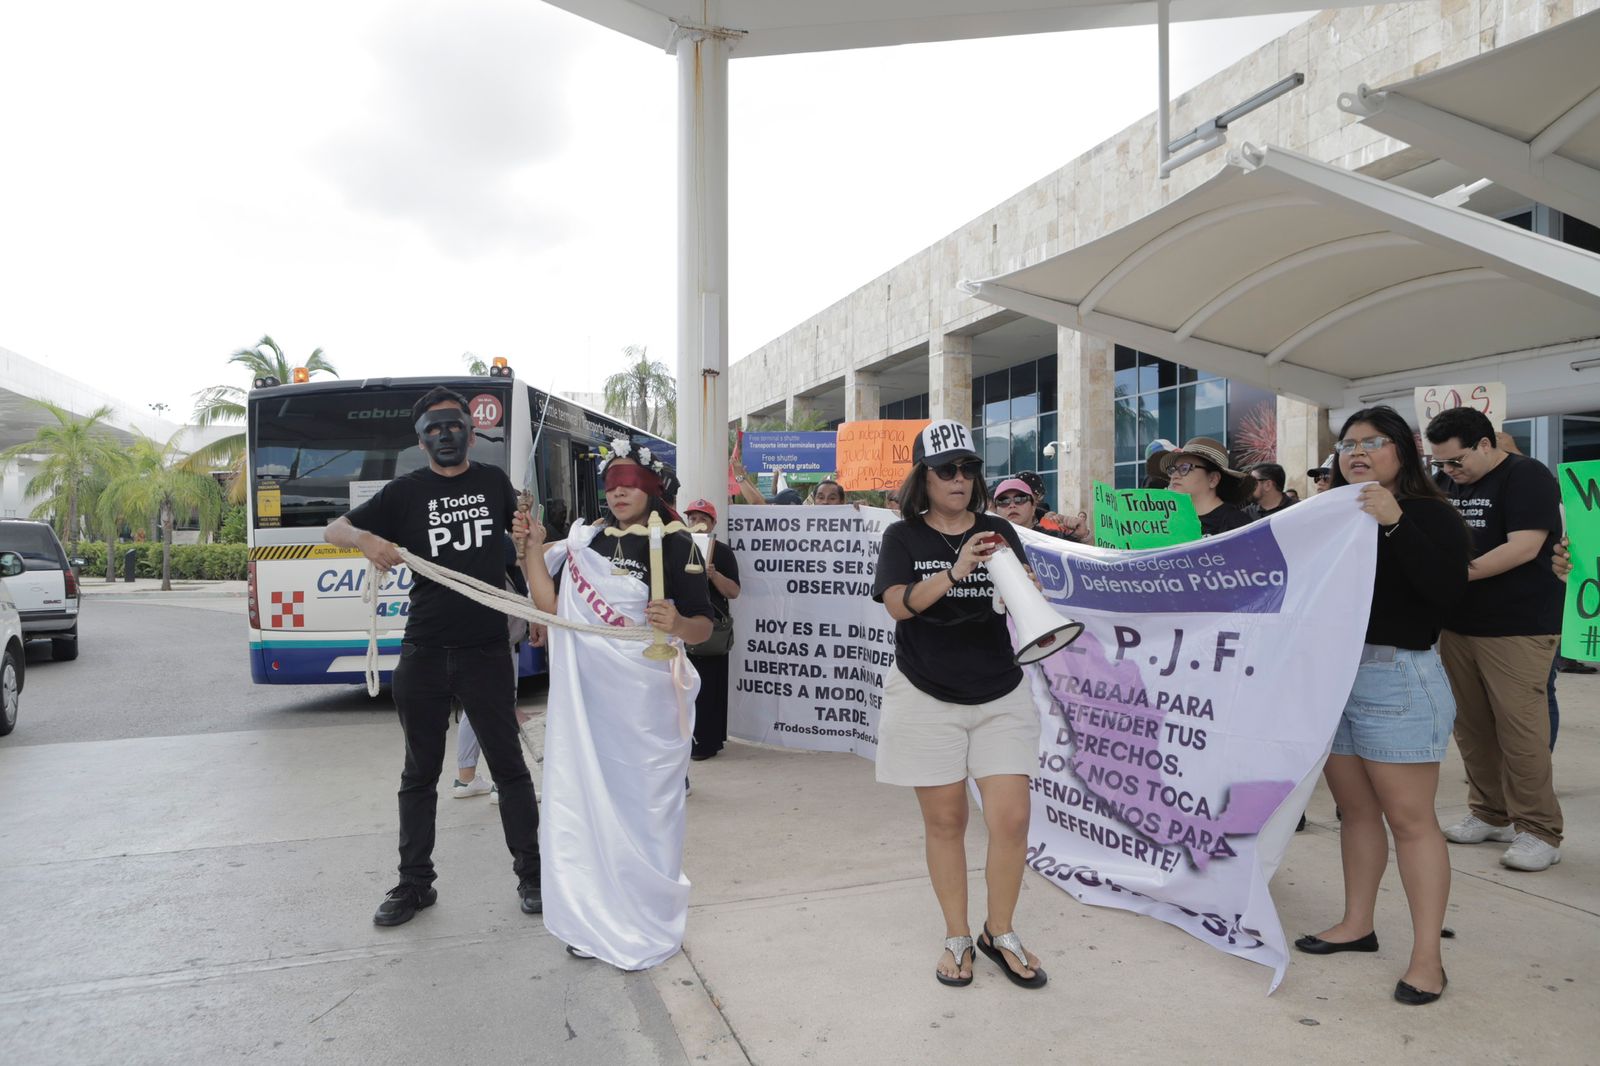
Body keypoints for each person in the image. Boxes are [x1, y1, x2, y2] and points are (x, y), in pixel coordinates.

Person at [325, 386, 542, 927]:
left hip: (486, 649)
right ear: (420, 439)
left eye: (455, 425)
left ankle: (533, 876)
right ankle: (414, 885)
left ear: (472, 431)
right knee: (418, 774)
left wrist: (533, 585)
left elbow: (516, 553)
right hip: (423, 650)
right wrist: (365, 541)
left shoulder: (493, 483)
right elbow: (333, 528)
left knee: (510, 768)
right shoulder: (405, 492)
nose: (446, 435)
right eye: (434, 428)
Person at [1292, 405, 1469, 1007]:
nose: (1357, 452)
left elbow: (1445, 592)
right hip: (1333, 677)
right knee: (1355, 811)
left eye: (1373, 441)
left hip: (1397, 676)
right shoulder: (1325, 516)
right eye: (1347, 444)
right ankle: (1357, 924)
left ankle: (1427, 959)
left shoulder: (1430, 514)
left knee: (1411, 820)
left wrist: (1395, 523)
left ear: (1403, 450)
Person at [517, 443, 714, 968]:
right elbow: (551, 608)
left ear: (650, 487)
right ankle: (595, 916)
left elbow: (703, 625)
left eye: (629, 481)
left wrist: (676, 623)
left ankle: (647, 917)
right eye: (611, 483)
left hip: (645, 700)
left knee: (646, 806)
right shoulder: (588, 541)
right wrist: (533, 549)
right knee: (590, 800)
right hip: (591, 700)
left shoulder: (679, 544)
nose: (619, 490)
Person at [871, 419, 1047, 991]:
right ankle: (957, 935)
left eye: (968, 468)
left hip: (1000, 689)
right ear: (923, 478)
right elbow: (900, 606)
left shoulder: (999, 529)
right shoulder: (904, 537)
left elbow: (1022, 601)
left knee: (1012, 818)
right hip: (926, 693)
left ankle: (1001, 931)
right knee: (947, 820)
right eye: (946, 469)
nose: (959, 479)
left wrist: (1026, 586)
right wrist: (956, 570)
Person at [1425, 407, 1564, 871]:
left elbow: (1524, 546)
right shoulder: (1446, 484)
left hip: (1518, 625)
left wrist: (1455, 574)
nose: (1449, 472)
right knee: (1471, 728)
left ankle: (1539, 830)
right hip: (1457, 625)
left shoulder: (1526, 476)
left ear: (1486, 445)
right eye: (1440, 464)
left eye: (1456, 461)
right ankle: (1490, 813)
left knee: (1521, 731)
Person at [684, 498, 740, 762]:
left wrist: (713, 575)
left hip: (713, 630)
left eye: (701, 518)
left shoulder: (723, 552)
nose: (696, 523)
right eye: (692, 518)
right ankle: (689, 740)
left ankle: (708, 741)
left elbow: (734, 591)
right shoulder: (680, 548)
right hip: (683, 627)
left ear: (713, 523)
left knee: (711, 687)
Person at [1160, 437, 1251, 536]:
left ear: (1213, 479)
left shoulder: (1237, 525)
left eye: (1184, 468)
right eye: (1172, 469)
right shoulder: (1170, 521)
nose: (1174, 476)